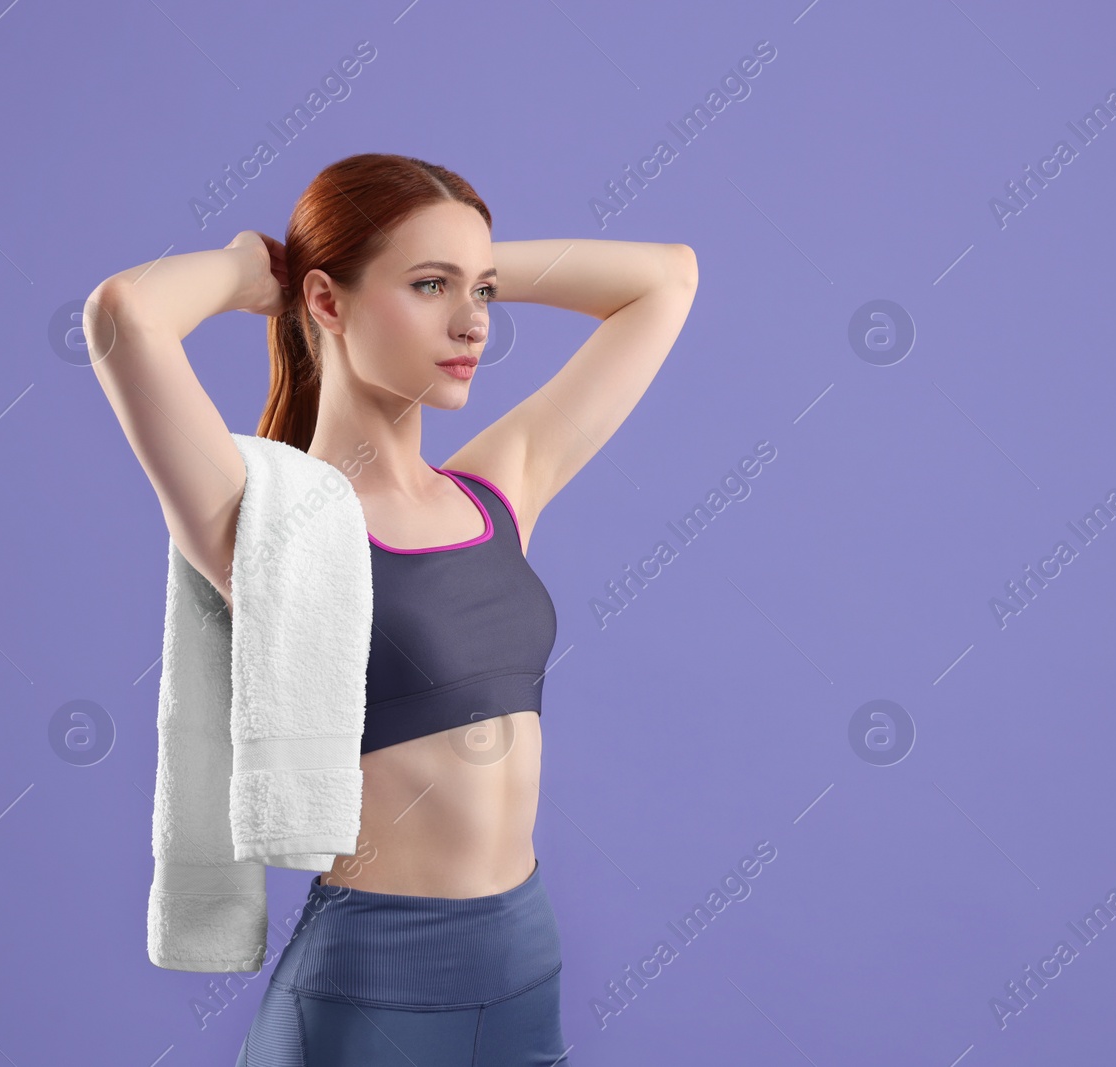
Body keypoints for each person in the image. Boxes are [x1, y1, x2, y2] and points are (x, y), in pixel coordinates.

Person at [84, 153, 698, 1065]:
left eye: (480, 291)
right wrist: (257, 272)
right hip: (373, 991)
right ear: (327, 303)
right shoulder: (268, 522)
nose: (474, 322)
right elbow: (123, 316)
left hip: (525, 968)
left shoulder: (498, 490)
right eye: (429, 288)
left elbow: (666, 278)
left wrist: (460, 260)